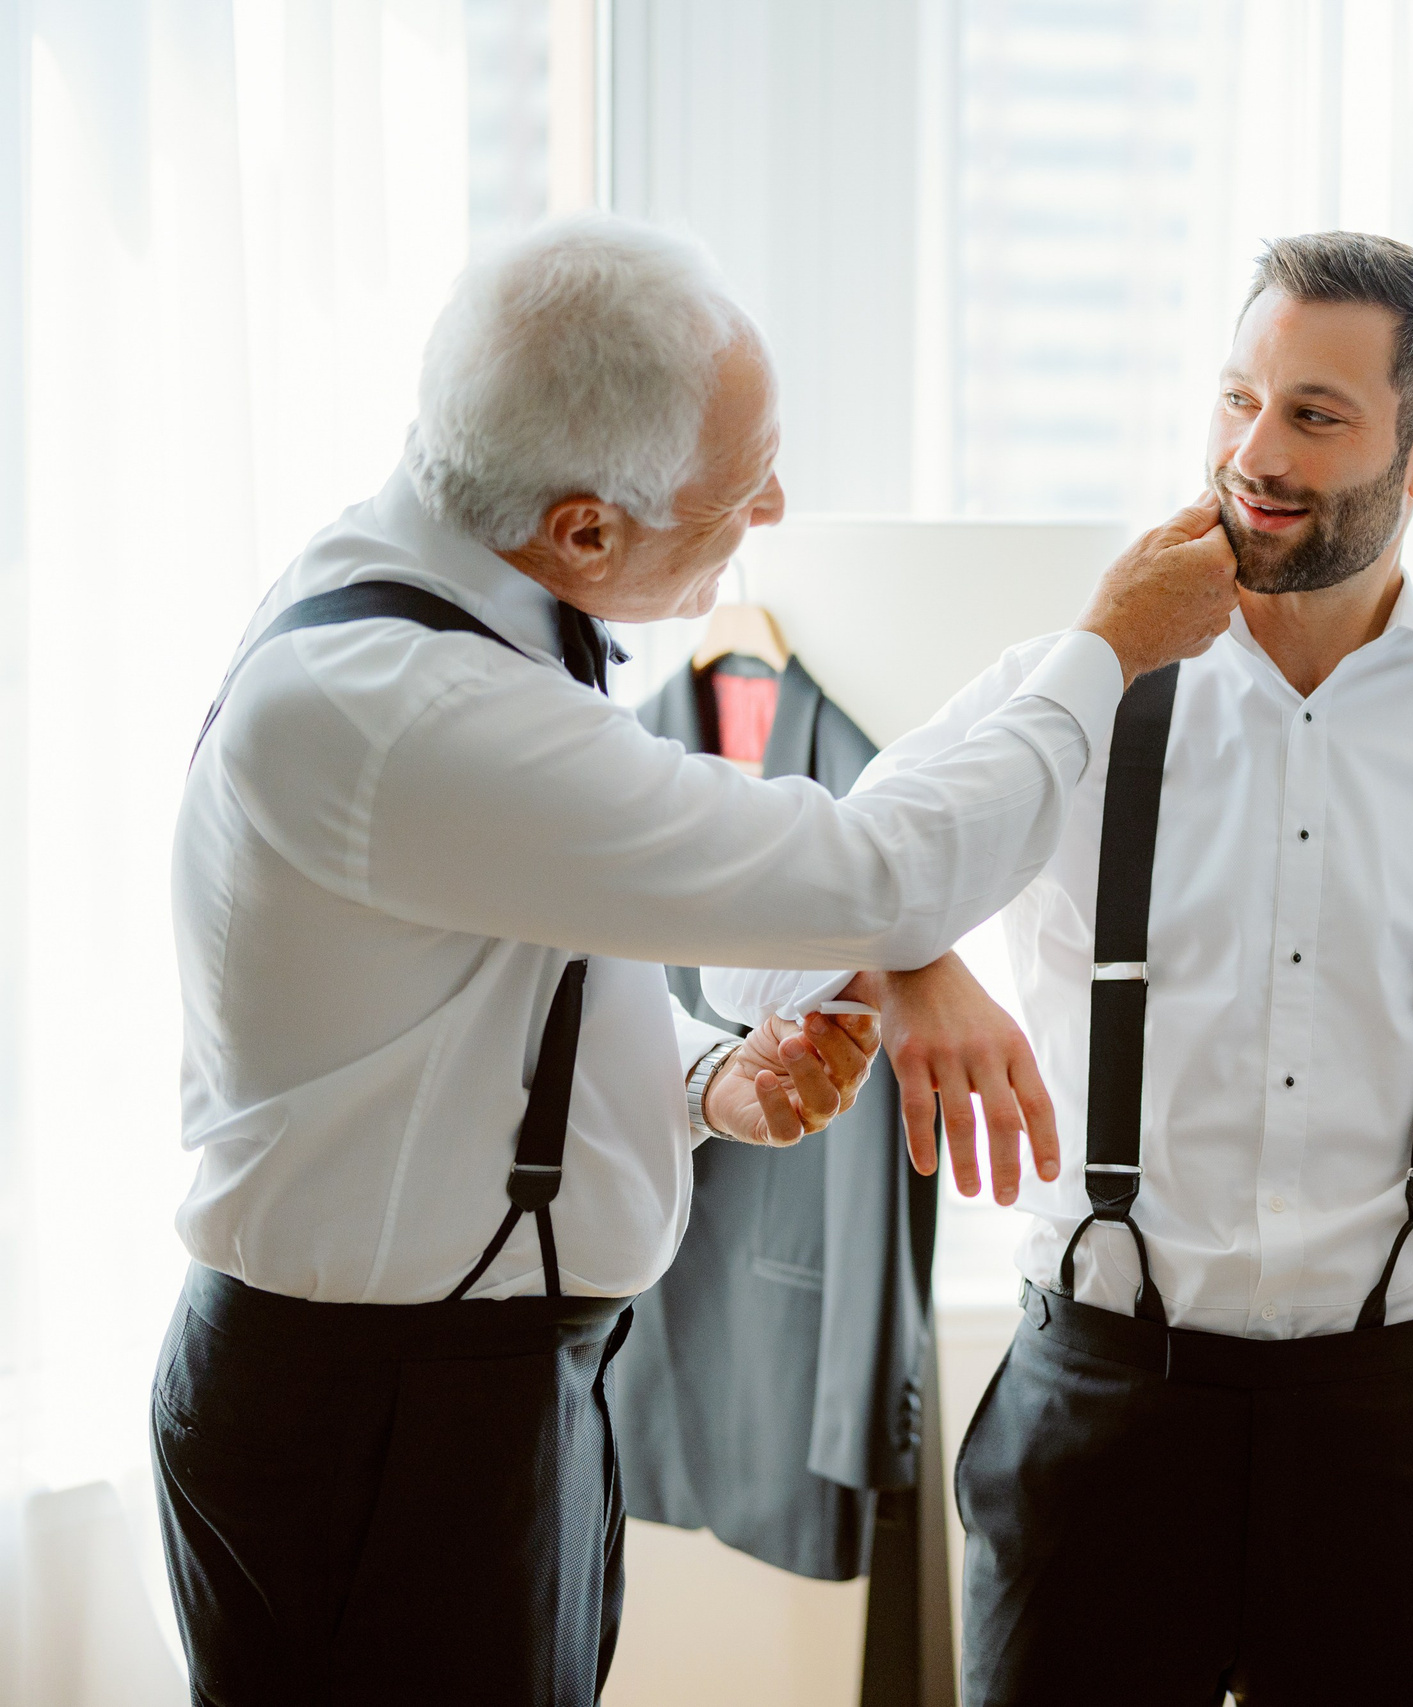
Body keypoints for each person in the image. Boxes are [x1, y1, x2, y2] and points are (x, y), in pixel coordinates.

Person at [154, 214, 1237, 1707]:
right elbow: (870, 878)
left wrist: (702, 1083)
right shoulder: (401, 702)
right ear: (584, 527)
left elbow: (455, 1006)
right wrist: (1107, 650)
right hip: (387, 1421)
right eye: (746, 487)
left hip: (472, 1393)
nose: (777, 506)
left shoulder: (450, 603)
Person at [708, 232, 1413, 1707]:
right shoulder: (1070, 685)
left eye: (1315, 415)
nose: (1254, 454)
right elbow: (745, 940)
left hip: (1394, 1436)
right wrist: (910, 961)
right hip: (1097, 1413)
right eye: (1237, 399)